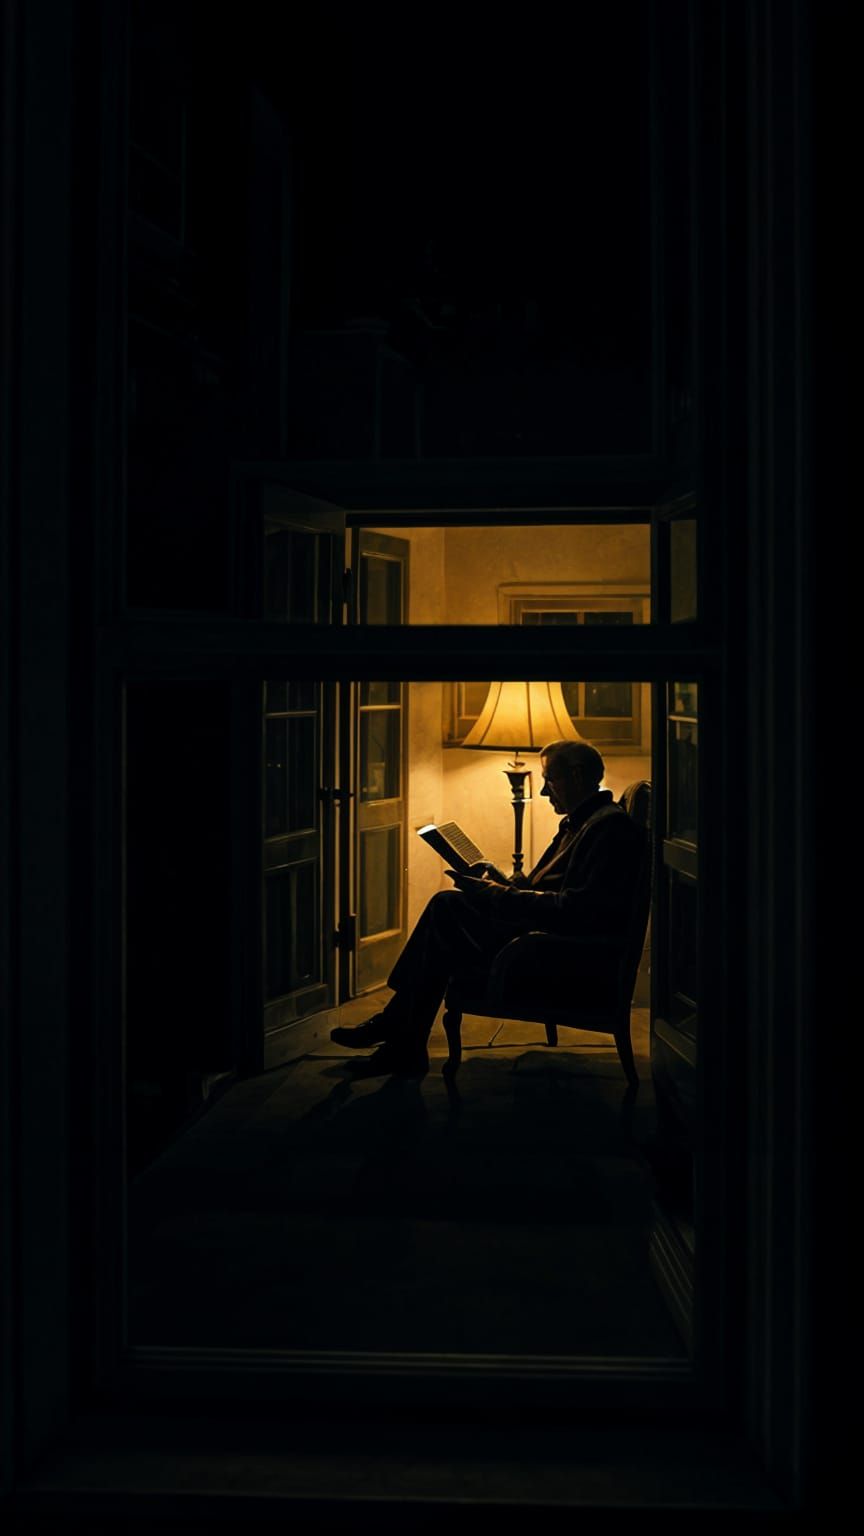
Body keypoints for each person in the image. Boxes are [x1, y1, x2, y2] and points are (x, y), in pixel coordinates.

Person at [330, 738, 646, 1076]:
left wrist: (495, 894)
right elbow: (546, 892)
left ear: (577, 775)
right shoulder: (582, 822)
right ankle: (401, 1038)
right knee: (445, 922)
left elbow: (575, 910)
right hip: (537, 937)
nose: (542, 793)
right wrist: (500, 882)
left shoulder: (609, 829)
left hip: (554, 952)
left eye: (549, 780)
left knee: (445, 909)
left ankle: (397, 1033)